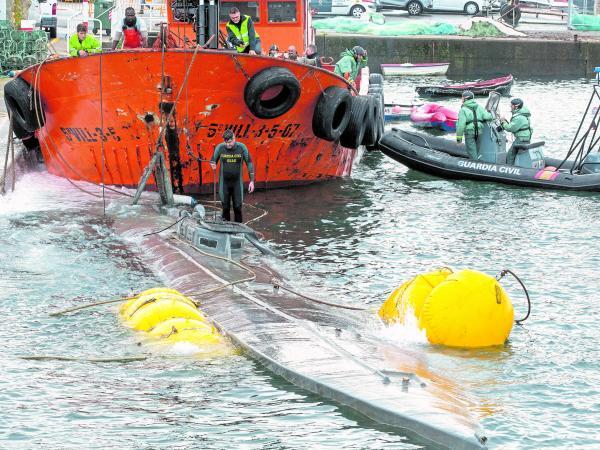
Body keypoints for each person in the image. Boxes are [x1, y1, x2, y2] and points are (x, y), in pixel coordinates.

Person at [210, 129, 255, 223]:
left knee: (237, 207)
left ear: (234, 138)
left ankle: (239, 231)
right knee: (225, 207)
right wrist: (213, 163)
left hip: (237, 183)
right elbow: (213, 159)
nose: (228, 145)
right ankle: (225, 230)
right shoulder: (220, 148)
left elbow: (249, 163)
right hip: (224, 183)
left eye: (229, 142)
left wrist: (252, 181)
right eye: (226, 142)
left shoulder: (242, 148)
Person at [456, 90, 494, 160]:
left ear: (465, 98)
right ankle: (477, 163)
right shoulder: (479, 107)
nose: (461, 99)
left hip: (469, 133)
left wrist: (459, 139)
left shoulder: (463, 109)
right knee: (476, 151)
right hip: (479, 132)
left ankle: (475, 166)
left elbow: (461, 126)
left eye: (462, 97)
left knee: (471, 152)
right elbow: (489, 117)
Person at [501, 98, 532, 165]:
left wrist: (503, 122)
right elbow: (515, 125)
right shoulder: (523, 114)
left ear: (516, 106)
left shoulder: (519, 117)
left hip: (521, 138)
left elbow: (510, 128)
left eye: (511, 105)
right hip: (526, 137)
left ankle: (509, 168)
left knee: (510, 155)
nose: (510, 106)